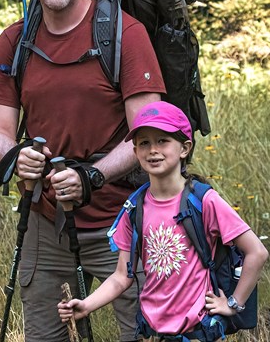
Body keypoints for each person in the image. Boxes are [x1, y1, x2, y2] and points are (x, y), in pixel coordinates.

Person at [0, 0, 167, 341]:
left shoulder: (124, 33)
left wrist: (93, 175)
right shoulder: (15, 41)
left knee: (144, 333)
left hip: (121, 219)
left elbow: (149, 131)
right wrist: (15, 156)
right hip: (47, 222)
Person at [58, 101, 268, 341]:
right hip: (152, 332)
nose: (153, 150)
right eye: (144, 143)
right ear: (135, 152)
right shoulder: (134, 207)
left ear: (184, 148)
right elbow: (121, 276)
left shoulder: (204, 201)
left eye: (162, 141)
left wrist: (233, 303)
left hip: (197, 331)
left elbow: (257, 252)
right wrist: (86, 305)